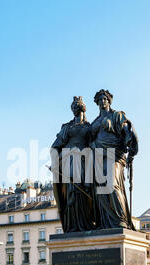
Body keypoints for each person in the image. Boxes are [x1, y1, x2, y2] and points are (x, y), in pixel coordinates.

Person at [91, 89, 138, 230]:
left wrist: (131, 150)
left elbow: (128, 132)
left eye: (104, 99)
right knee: (100, 190)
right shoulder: (95, 122)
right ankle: (106, 222)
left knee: (112, 185)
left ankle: (120, 219)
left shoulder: (116, 115)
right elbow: (89, 139)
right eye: (99, 100)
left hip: (114, 154)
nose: (102, 102)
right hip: (98, 155)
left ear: (109, 101)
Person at [51, 96, 95, 232]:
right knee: (70, 190)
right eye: (73, 107)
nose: (75, 109)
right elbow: (56, 145)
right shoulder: (67, 127)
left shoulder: (89, 127)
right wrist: (55, 160)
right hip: (68, 160)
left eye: (77, 106)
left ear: (82, 108)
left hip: (84, 160)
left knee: (83, 190)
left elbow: (94, 143)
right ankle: (72, 225)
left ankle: (86, 222)